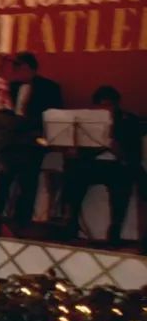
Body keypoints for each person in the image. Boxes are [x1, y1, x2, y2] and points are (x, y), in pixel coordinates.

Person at [62, 85, 142, 245]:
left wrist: (117, 149)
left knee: (122, 183)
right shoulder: (87, 121)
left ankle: (115, 230)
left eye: (108, 105)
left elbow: (134, 154)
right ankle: (71, 224)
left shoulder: (128, 120)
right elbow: (79, 148)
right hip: (92, 163)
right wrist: (75, 151)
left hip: (117, 165)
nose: (105, 109)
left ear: (116, 105)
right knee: (73, 173)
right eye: (100, 105)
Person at [0, 51, 62, 233]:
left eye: (23, 68)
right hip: (10, 140)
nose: (19, 72)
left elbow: (53, 116)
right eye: (17, 68)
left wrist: (28, 126)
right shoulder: (11, 87)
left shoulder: (49, 88)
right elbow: (3, 112)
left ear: (32, 69)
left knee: (28, 183)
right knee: (2, 181)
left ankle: (21, 222)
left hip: (32, 141)